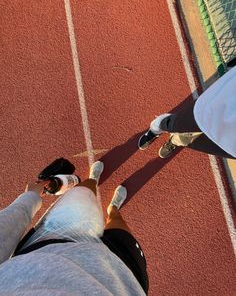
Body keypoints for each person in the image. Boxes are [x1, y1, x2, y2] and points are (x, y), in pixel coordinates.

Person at [0, 161, 148, 295]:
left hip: (53, 242)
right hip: (121, 277)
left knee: (86, 191)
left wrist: (30, 197)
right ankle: (113, 208)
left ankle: (95, 185)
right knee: (119, 228)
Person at [138, 66, 236, 159]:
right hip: (224, 105)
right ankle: (158, 125)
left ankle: (177, 139)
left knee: (198, 142)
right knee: (179, 123)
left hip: (231, 145)